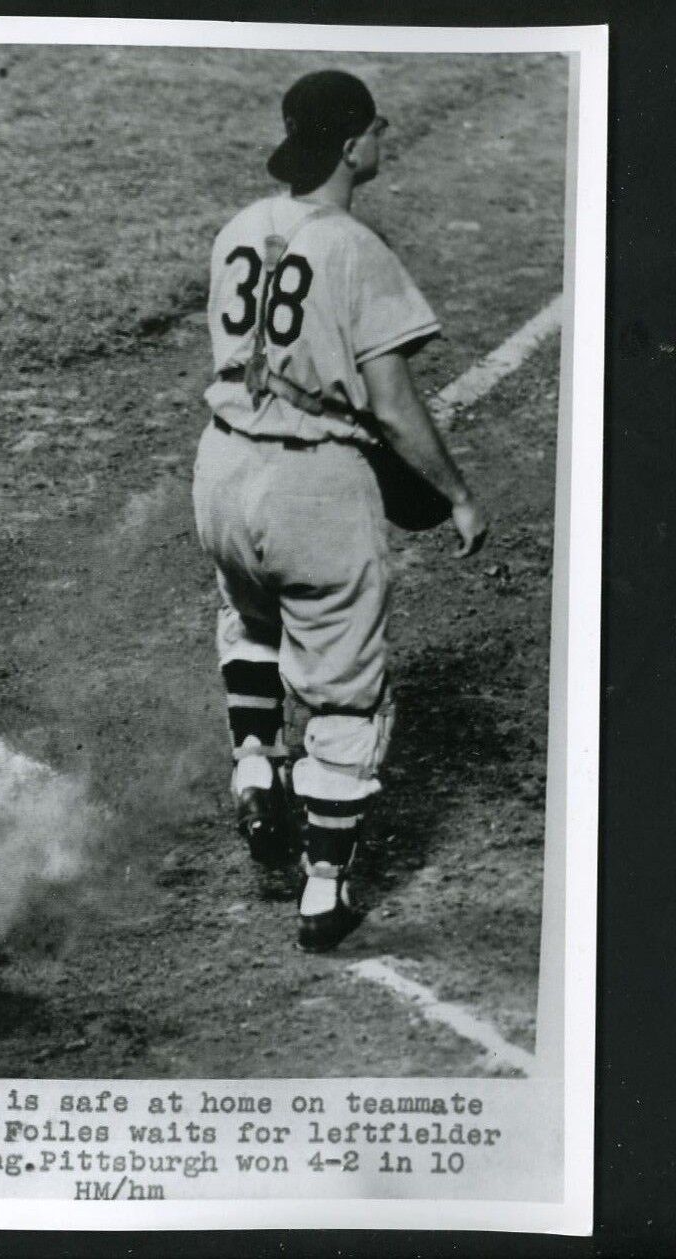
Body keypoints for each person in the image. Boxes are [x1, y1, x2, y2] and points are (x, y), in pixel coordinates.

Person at [193, 70, 489, 952]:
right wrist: (459, 495)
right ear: (352, 143)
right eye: (376, 127)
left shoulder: (240, 227)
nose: (385, 135)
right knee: (347, 686)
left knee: (249, 612)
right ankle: (324, 891)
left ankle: (254, 760)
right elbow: (394, 407)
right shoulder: (358, 246)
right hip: (312, 486)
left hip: (220, 466)